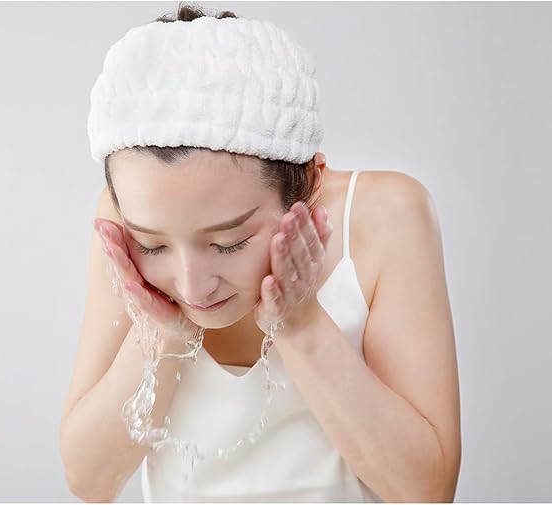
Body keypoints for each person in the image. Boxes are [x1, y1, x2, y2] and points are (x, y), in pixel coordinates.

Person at [60, 3, 461, 503]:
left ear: (309, 183)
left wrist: (300, 325)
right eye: (154, 244)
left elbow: (426, 491)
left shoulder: (385, 215)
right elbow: (89, 481)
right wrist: (163, 333)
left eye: (228, 242)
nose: (192, 286)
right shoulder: (123, 223)